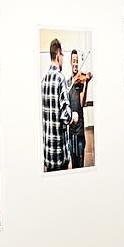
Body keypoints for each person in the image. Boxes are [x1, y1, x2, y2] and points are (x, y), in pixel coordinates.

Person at [41, 37, 72, 172]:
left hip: (48, 155)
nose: (63, 59)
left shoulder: (44, 80)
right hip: (59, 154)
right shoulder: (60, 79)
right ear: (58, 54)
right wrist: (73, 116)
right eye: (62, 55)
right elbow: (65, 117)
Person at [68, 47, 90, 169]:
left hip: (80, 131)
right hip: (71, 132)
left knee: (80, 165)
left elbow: (82, 102)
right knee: (73, 164)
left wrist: (86, 83)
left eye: (77, 61)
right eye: (74, 61)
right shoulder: (67, 83)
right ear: (70, 62)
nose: (75, 63)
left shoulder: (81, 82)